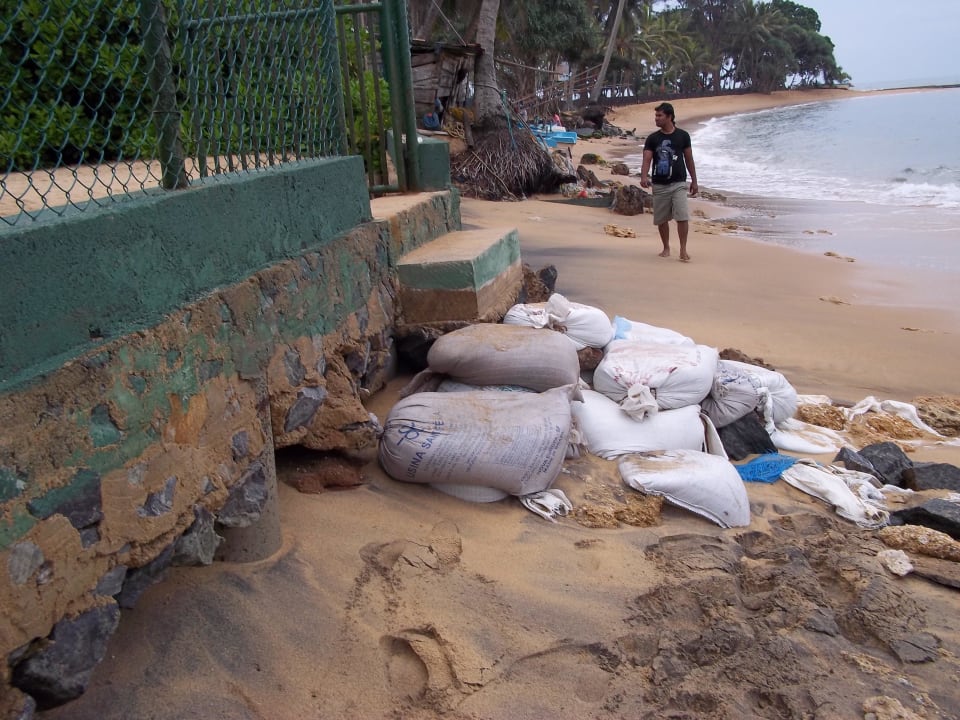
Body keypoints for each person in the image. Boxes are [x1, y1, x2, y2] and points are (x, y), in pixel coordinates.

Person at [639, 102, 699, 262]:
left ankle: (683, 250)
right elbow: (647, 158)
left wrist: (694, 180)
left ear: (669, 117)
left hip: (679, 183)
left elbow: (689, 158)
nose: (656, 119)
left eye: (659, 116)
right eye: (656, 116)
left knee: (682, 216)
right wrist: (644, 176)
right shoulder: (653, 138)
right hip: (659, 184)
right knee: (662, 219)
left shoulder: (683, 136)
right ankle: (666, 247)